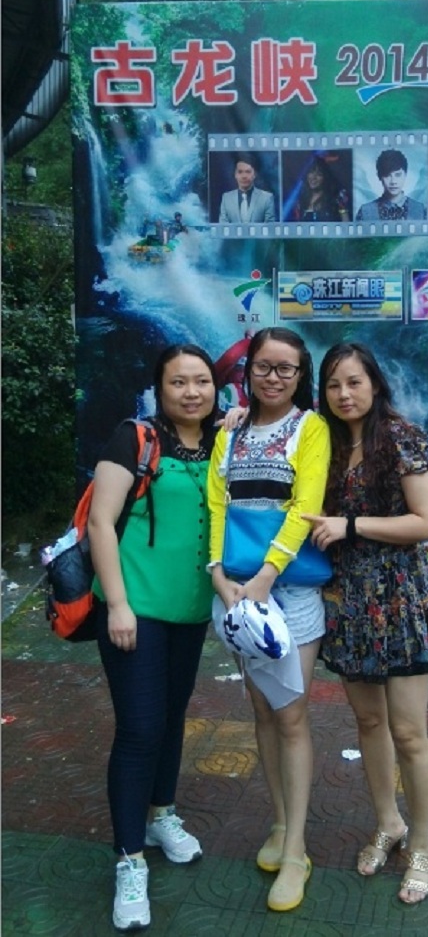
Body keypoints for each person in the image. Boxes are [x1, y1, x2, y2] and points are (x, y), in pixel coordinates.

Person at [304, 342, 428, 905]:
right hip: (349, 602)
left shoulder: (399, 437)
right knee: (368, 723)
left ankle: (422, 845)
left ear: (374, 384)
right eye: (333, 384)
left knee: (409, 732)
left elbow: (426, 523)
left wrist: (351, 525)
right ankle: (388, 823)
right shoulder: (324, 442)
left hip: (400, 600)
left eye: (354, 382)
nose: (344, 394)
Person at [88, 344, 218, 931]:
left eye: (201, 381)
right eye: (178, 382)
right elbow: (100, 522)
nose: (191, 392)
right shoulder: (135, 439)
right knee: (139, 729)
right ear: (160, 389)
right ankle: (129, 860)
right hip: (134, 609)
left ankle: (161, 815)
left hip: (190, 610)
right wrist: (117, 604)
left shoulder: (220, 442)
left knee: (171, 717)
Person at [207, 327, 330, 913]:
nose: (274, 377)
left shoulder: (311, 428)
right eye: (264, 367)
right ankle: (279, 824)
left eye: (286, 368)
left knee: (292, 714)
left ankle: (298, 850)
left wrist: (267, 574)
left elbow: (307, 506)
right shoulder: (228, 432)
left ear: (301, 376)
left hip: (289, 591)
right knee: (260, 710)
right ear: (248, 371)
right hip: (235, 590)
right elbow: (217, 504)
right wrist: (216, 572)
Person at [356, 149, 426, 221]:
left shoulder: (420, 210)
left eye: (398, 175)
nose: (393, 181)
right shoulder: (365, 211)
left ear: (405, 175)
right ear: (379, 176)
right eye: (387, 175)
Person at [289, 154, 349, 222]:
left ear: (325, 177)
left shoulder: (336, 198)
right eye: (311, 172)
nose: (313, 177)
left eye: (319, 174)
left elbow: (346, 225)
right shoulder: (300, 201)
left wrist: (343, 207)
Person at [218, 153, 276, 223]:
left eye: (248, 172)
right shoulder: (226, 198)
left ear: (254, 174)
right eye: (240, 172)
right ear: (235, 175)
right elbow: (223, 225)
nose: (244, 176)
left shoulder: (266, 198)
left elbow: (270, 226)